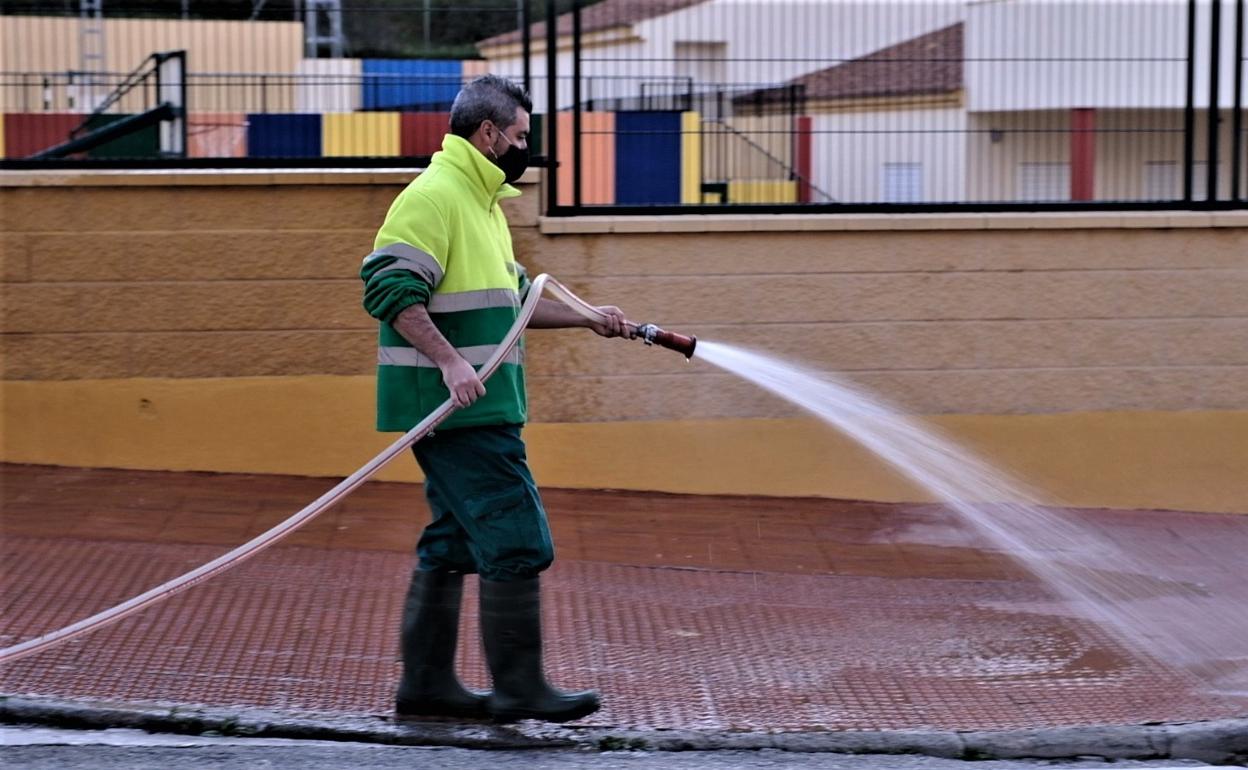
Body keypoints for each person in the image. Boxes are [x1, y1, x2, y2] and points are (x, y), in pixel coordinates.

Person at [359, 74, 631, 724]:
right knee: (516, 539)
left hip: (475, 408)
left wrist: (588, 318)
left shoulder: (480, 205)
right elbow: (387, 287)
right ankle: (520, 689)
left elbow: (510, 308)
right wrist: (451, 363)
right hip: (458, 413)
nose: (525, 147)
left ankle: (426, 688)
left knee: (452, 542)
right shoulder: (434, 197)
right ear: (488, 134)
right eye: (520, 135)